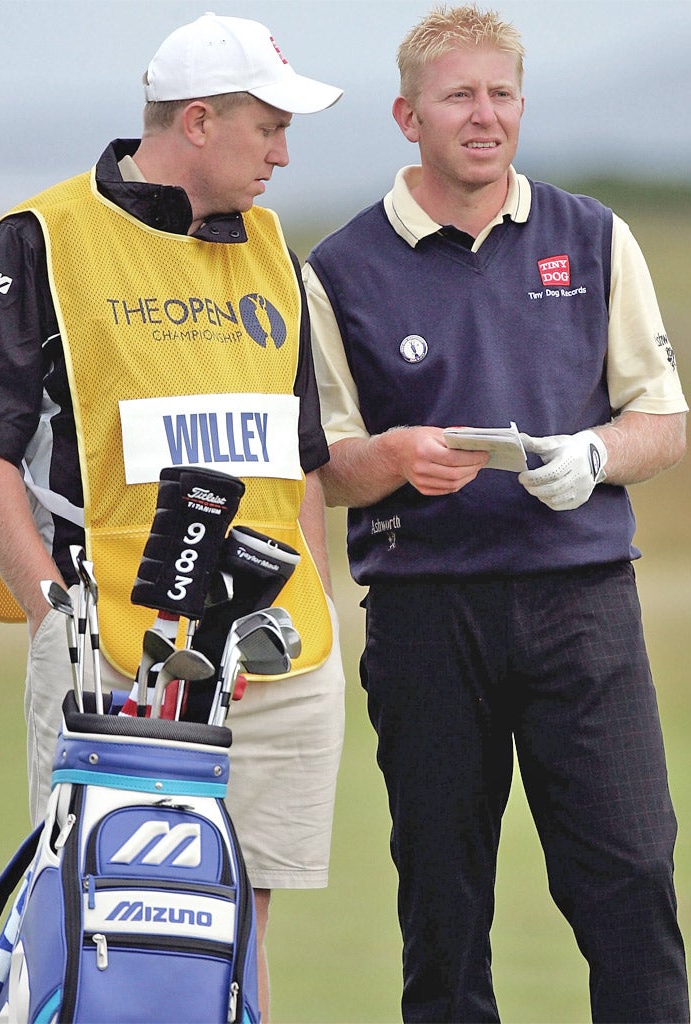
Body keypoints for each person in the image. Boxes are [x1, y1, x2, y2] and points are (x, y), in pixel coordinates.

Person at [0, 13, 345, 1019]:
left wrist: (316, 594)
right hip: (108, 648)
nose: (284, 154)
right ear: (198, 121)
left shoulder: (275, 245)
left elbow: (301, 450)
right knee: (107, 913)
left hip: (275, 646)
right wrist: (45, 600)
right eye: (268, 129)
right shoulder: (43, 238)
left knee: (238, 922)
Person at [303, 4, 689, 1021]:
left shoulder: (592, 235)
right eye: (459, 96)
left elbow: (663, 416)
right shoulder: (340, 268)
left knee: (634, 880)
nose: (485, 116)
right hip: (429, 618)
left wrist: (596, 454)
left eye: (502, 94)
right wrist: (388, 458)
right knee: (443, 909)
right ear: (408, 115)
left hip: (583, 607)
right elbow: (325, 463)